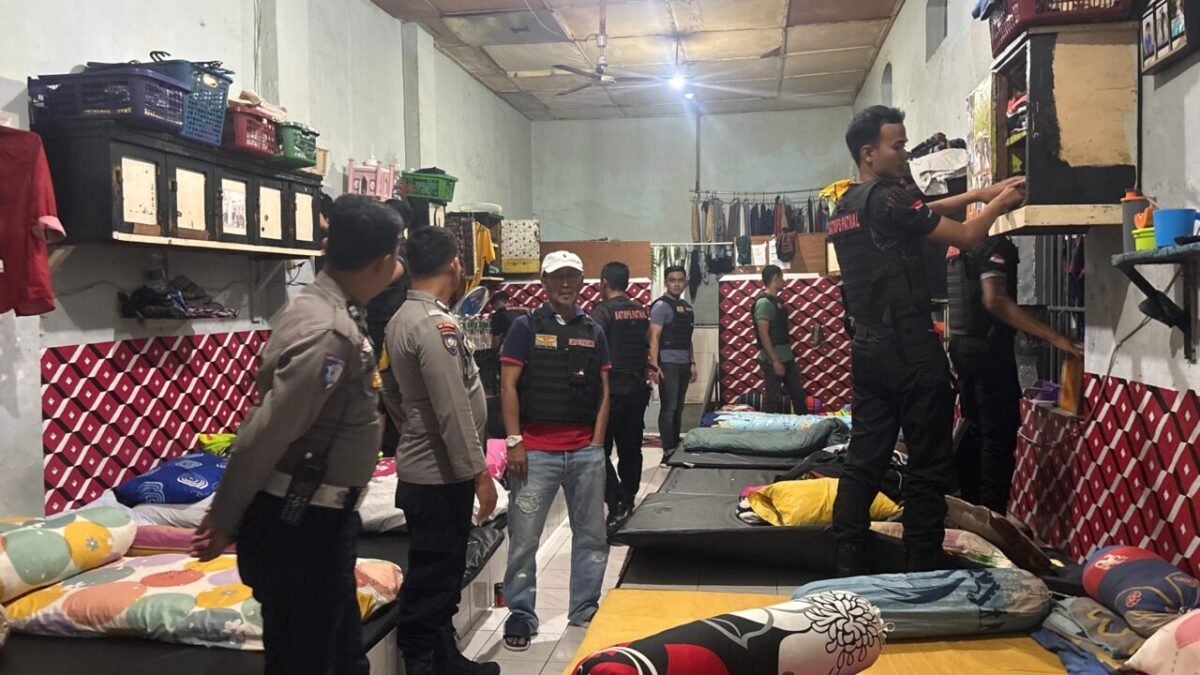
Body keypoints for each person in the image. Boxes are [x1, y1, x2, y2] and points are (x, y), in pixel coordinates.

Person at [191, 195, 403, 674]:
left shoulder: (329, 305)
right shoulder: (330, 333)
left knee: (344, 658)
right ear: (382, 261)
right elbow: (265, 433)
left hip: (319, 522)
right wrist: (223, 517)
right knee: (306, 662)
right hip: (300, 526)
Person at [827, 105, 1026, 576]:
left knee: (864, 457)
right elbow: (969, 236)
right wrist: (998, 204)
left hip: (868, 348)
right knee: (929, 462)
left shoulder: (846, 205)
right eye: (897, 146)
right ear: (869, 153)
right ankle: (922, 566)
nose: (905, 154)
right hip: (910, 348)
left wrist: (977, 193)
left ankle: (846, 556)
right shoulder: (890, 197)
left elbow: (919, 215)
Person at [383, 226, 500, 675]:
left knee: (444, 571)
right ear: (454, 264)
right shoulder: (436, 325)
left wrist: (411, 430)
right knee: (434, 576)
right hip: (439, 475)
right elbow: (453, 406)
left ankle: (446, 659)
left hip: (430, 467)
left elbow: (391, 392)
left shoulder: (400, 318)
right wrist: (480, 474)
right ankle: (424, 663)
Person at [499, 251, 611, 652]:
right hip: (536, 455)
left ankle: (585, 608)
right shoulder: (525, 328)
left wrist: (597, 444)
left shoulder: (594, 330)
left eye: (572, 277)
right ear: (544, 283)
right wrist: (515, 441)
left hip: (585, 454)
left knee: (592, 538)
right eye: (557, 277)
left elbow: (604, 391)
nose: (565, 284)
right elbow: (508, 385)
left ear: (582, 282)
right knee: (524, 541)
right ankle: (521, 612)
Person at [947, 235, 1083, 515]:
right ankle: (990, 519)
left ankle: (969, 511)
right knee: (997, 437)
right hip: (988, 351)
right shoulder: (993, 244)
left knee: (975, 429)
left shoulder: (958, 243)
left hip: (963, 347)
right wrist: (1055, 337)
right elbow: (995, 299)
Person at [590, 261, 653, 533]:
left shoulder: (601, 312)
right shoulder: (640, 311)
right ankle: (628, 498)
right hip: (636, 390)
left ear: (603, 282)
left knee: (598, 450)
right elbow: (646, 345)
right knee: (631, 448)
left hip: (609, 392)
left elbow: (593, 350)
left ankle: (614, 501)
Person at [648, 265, 696, 454]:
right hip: (668, 363)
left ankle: (675, 446)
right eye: (672, 280)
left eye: (680, 280)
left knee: (678, 408)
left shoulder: (687, 308)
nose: (677, 284)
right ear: (666, 282)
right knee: (669, 407)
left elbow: (687, 338)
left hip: (684, 363)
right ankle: (668, 450)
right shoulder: (661, 306)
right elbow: (654, 336)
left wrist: (692, 363)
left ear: (685, 283)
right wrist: (654, 365)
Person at [755, 264, 808, 415]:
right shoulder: (764, 303)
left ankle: (805, 426)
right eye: (782, 277)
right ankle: (766, 428)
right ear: (775, 278)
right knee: (772, 398)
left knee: (798, 394)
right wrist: (775, 360)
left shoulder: (776, 302)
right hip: (773, 359)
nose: (784, 281)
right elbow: (763, 334)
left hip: (786, 357)